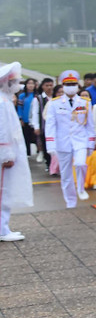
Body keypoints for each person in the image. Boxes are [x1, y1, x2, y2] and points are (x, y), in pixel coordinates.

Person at [44, 70, 96, 207]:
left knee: (80, 164)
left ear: (78, 85)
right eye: (68, 84)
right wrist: (51, 145)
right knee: (66, 175)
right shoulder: (55, 103)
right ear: (63, 86)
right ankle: (70, 201)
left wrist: (91, 144)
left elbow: (90, 125)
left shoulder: (85, 102)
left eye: (73, 84)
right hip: (63, 142)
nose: (71, 87)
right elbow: (50, 125)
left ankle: (81, 188)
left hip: (80, 140)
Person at [0, 62, 32, 241]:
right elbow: (3, 131)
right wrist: (7, 155)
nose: (18, 84)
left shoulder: (5, 100)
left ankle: (4, 227)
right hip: (4, 155)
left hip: (8, 152)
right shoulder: (2, 102)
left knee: (4, 191)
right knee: (3, 192)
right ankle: (2, 230)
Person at [79, 89, 96, 191]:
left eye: (86, 96)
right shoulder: (75, 110)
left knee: (94, 161)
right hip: (80, 140)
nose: (84, 98)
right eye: (82, 96)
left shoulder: (95, 109)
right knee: (82, 162)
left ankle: (95, 181)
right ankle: (83, 181)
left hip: (93, 139)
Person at [30, 77, 53, 166]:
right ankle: (48, 163)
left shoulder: (56, 97)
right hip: (44, 125)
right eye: (47, 85)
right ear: (42, 86)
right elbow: (35, 113)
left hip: (54, 126)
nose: (49, 87)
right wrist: (36, 126)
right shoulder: (38, 99)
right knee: (45, 144)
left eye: (51, 85)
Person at [16, 78, 37, 156]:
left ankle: (40, 151)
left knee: (36, 137)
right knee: (26, 137)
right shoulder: (22, 96)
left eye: (32, 83)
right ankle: (27, 153)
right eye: (29, 83)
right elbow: (20, 107)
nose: (30, 85)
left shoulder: (37, 96)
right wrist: (20, 118)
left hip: (35, 119)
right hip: (26, 119)